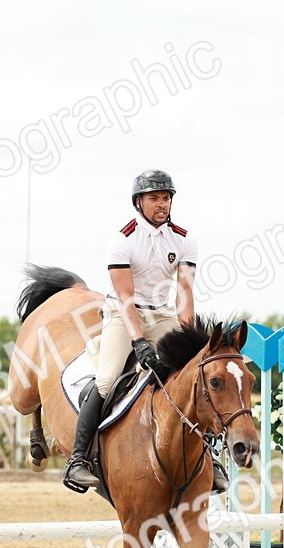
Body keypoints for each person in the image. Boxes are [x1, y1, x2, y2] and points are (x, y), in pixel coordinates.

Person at [64, 169, 227, 494]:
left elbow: (184, 295)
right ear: (139, 202)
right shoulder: (123, 239)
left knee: (191, 376)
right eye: (154, 198)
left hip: (162, 314)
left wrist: (189, 341)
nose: (161, 204)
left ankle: (211, 455)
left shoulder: (183, 239)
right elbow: (125, 298)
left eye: (166, 198)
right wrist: (138, 342)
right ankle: (78, 460)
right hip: (122, 314)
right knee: (108, 378)